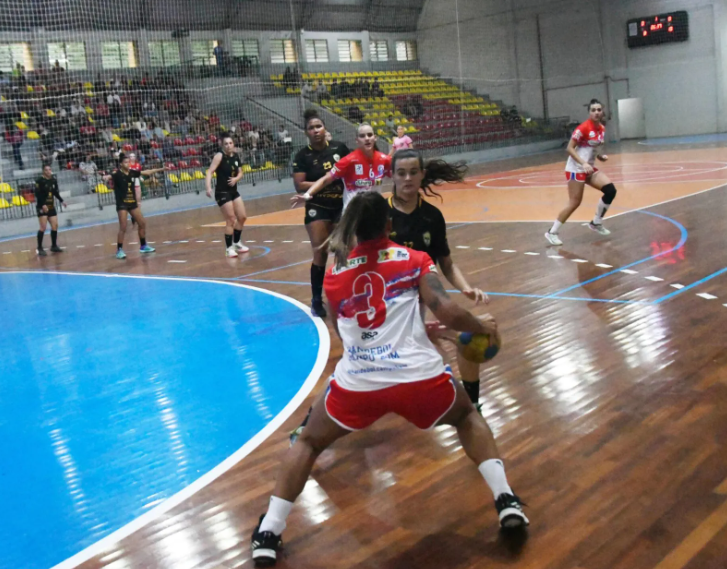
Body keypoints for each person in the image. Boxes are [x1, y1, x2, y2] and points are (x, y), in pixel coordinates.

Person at [250, 192, 528, 566]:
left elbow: (345, 330)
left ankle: (270, 531)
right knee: (466, 417)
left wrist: (409, 333)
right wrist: (480, 326)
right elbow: (446, 309)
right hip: (419, 380)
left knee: (309, 442)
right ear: (389, 225)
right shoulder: (415, 260)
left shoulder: (334, 273)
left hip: (360, 382)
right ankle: (505, 499)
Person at [386, 149, 489, 411]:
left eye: (413, 172)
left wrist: (466, 289)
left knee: (469, 336)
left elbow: (447, 263)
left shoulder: (432, 216)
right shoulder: (378, 216)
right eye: (401, 173)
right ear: (392, 176)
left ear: (422, 175)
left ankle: (472, 403)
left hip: (425, 299)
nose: (407, 178)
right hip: (388, 305)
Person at [291, 109, 351, 317]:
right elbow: (299, 185)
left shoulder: (339, 148)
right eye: (311, 128)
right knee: (320, 251)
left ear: (325, 129)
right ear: (306, 132)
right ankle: (317, 299)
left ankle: (341, 295)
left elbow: (353, 168)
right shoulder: (302, 156)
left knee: (343, 252)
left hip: (341, 207)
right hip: (318, 207)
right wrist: (328, 179)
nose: (316, 131)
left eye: (318, 126)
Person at [545, 98, 617, 246]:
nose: (596, 113)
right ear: (589, 112)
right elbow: (569, 148)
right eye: (593, 110)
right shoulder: (583, 128)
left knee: (610, 190)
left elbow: (595, 148)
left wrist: (599, 156)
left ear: (602, 111)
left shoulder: (601, 129)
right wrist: (583, 163)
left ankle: (596, 223)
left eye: (599, 110)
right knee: (575, 202)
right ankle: (551, 232)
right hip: (575, 169)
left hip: (589, 168)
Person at [291, 123, 390, 211]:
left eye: (370, 135)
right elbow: (326, 179)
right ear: (357, 140)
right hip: (353, 214)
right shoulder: (348, 160)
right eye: (362, 136)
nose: (367, 138)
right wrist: (308, 194)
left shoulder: (384, 160)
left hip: (375, 211)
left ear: (375, 138)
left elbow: (398, 177)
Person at [109, 153, 162, 259]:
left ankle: (143, 246)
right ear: (120, 164)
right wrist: (106, 177)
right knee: (123, 227)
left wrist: (161, 169)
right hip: (122, 204)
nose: (128, 164)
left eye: (128, 162)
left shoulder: (132, 173)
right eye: (125, 162)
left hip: (132, 203)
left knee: (142, 223)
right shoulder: (117, 174)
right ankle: (119, 250)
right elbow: (109, 177)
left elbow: (146, 172)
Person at [205, 134, 249, 258]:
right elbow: (210, 171)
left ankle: (237, 243)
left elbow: (241, 172)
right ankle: (229, 248)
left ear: (233, 144)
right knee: (231, 219)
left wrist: (236, 179)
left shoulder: (235, 156)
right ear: (222, 145)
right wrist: (208, 187)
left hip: (233, 191)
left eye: (230, 143)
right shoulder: (219, 156)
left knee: (242, 217)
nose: (228, 145)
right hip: (222, 192)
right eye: (226, 144)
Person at [34, 164, 66, 256]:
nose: (49, 171)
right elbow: (37, 194)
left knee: (55, 225)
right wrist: (43, 204)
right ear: (43, 171)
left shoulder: (53, 180)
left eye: (50, 169)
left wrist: (61, 201)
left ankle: (54, 246)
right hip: (42, 207)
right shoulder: (39, 181)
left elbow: (55, 192)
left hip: (51, 206)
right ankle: (40, 247)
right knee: (43, 227)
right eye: (47, 170)